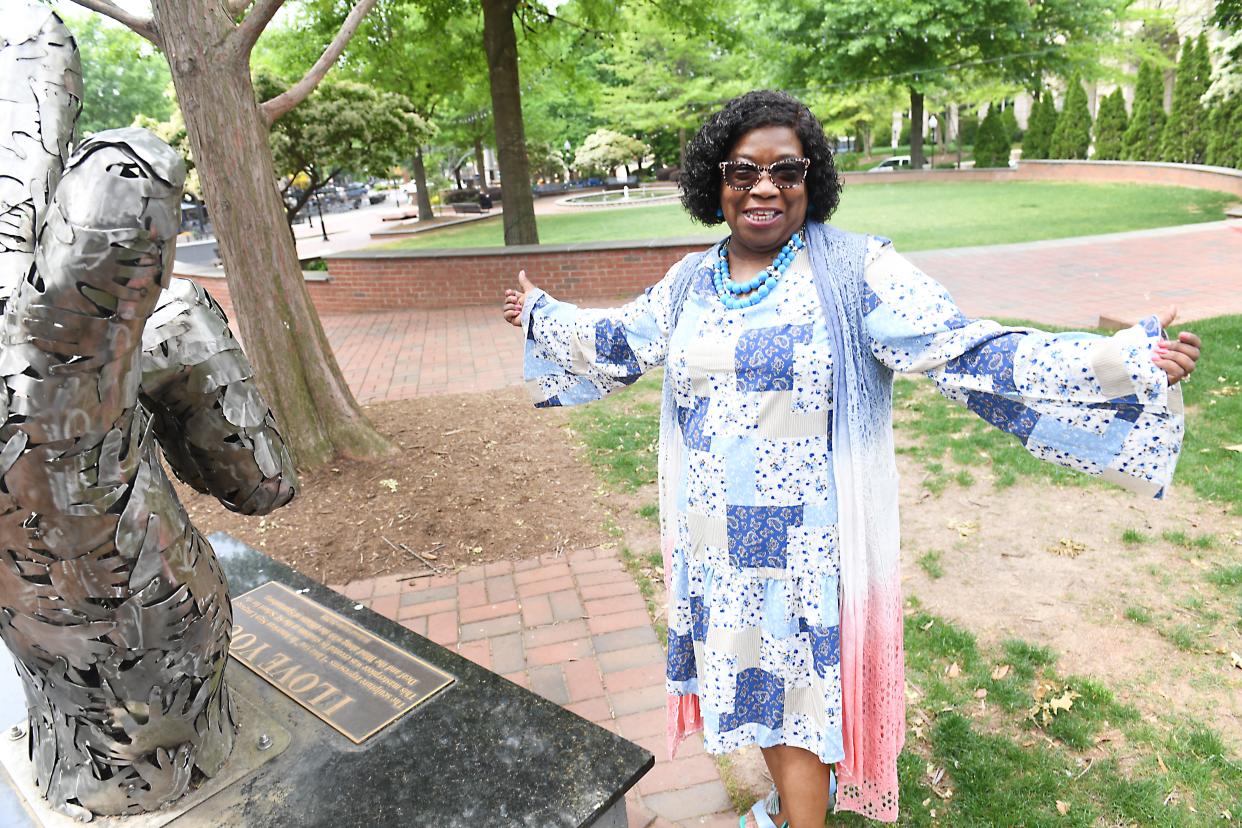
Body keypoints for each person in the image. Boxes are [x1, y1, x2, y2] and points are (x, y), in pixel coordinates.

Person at [501, 90, 1200, 826]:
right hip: (716, 550)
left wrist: (1118, 366)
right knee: (764, 701)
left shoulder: (857, 272)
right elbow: (619, 343)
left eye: (787, 171)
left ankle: (801, 813)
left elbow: (970, 351)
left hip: (807, 554)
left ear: (813, 181)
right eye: (743, 171)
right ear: (716, 181)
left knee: (795, 711)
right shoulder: (687, 284)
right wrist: (544, 316)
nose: (765, 186)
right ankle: (800, 800)